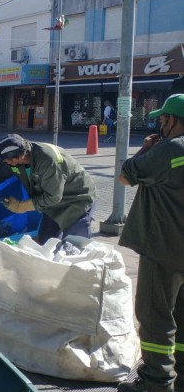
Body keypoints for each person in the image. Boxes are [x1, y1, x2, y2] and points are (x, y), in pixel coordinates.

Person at [115, 94, 184, 392]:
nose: (160, 123)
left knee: (155, 316)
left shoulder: (171, 149)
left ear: (173, 120)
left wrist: (145, 150)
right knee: (181, 316)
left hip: (164, 246)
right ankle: (179, 373)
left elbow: (125, 177)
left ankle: (156, 381)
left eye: (162, 119)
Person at [0, 133, 97, 245]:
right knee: (45, 243)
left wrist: (21, 206)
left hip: (76, 202)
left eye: (7, 161)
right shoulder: (15, 159)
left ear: (19, 156)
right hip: (52, 206)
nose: (6, 164)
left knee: (75, 247)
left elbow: (53, 196)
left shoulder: (48, 160)